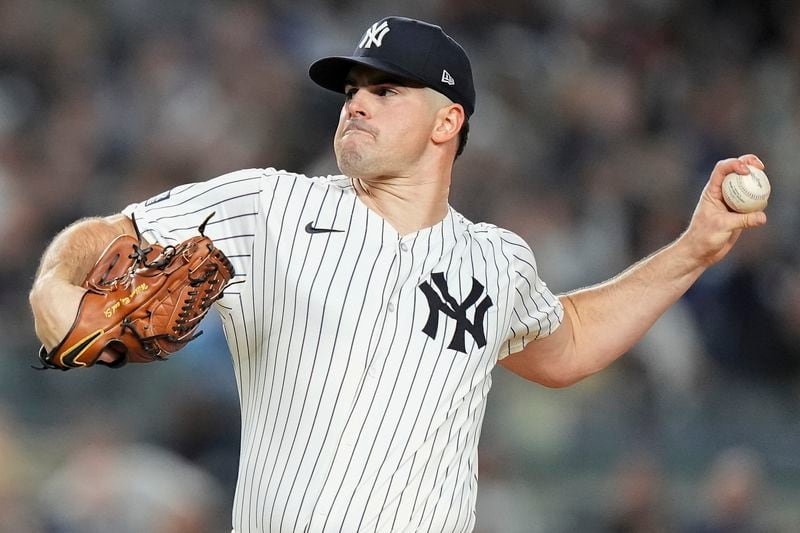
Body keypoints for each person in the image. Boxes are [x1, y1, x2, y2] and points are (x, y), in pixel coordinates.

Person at [29, 16, 768, 533]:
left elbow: (568, 342)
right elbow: (114, 235)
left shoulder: (497, 259)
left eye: (385, 91)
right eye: (353, 89)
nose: (356, 103)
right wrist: (55, 282)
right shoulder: (268, 205)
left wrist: (696, 248)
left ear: (447, 122)